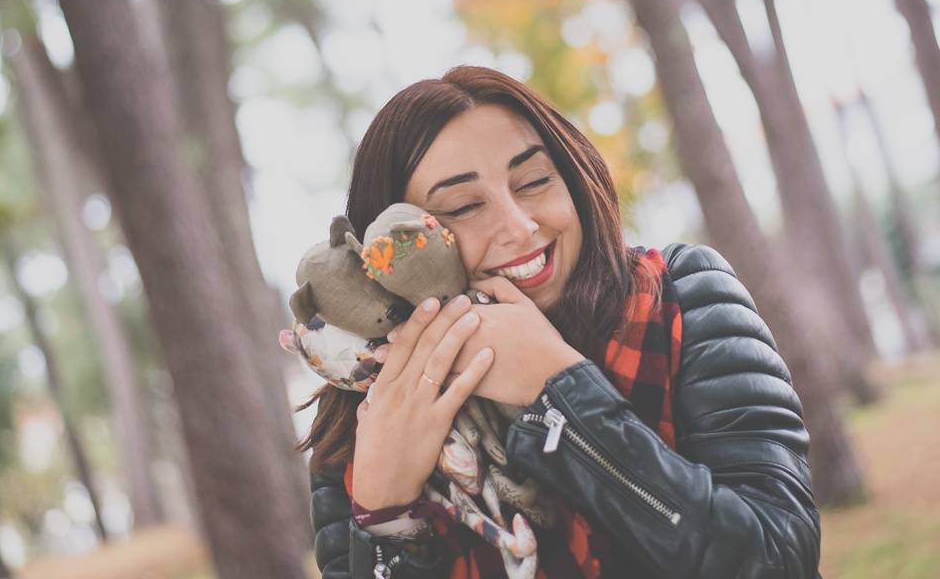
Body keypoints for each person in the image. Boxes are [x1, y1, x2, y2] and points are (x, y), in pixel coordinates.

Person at [301, 66, 821, 578]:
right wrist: (383, 517)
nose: (520, 226)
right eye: (462, 207)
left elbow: (777, 557)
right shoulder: (359, 421)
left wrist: (561, 395)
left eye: (532, 181)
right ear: (382, 250)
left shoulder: (684, 297)